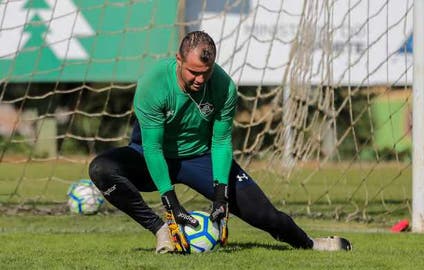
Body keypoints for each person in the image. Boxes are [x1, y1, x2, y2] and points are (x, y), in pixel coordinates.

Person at [88, 31, 352, 253]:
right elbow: (153, 148)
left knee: (264, 215)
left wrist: (220, 194)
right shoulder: (153, 84)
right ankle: (160, 231)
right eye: (193, 72)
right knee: (102, 170)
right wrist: (171, 205)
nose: (200, 80)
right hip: (150, 156)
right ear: (178, 60)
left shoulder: (224, 87)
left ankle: (311, 244)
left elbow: (222, 140)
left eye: (206, 72)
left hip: (199, 157)